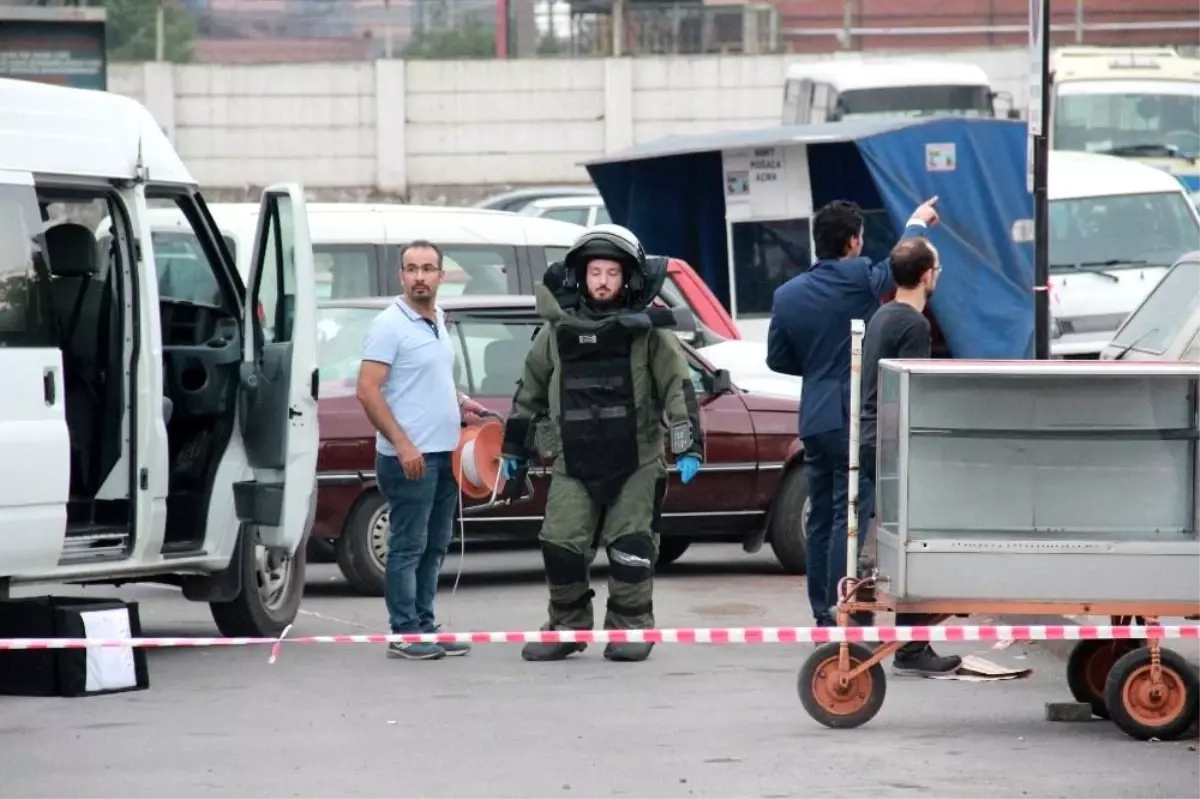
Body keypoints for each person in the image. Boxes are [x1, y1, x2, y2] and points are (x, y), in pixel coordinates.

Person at [501, 225, 704, 663]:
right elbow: (530, 393)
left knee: (632, 549)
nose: (603, 281)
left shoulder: (649, 333)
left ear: (627, 277)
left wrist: (687, 444)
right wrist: (513, 451)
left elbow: (677, 389)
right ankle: (567, 627)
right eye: (596, 272)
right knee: (560, 548)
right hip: (572, 464)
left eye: (612, 272)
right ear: (581, 276)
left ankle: (631, 629)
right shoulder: (556, 333)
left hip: (636, 462)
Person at [766, 197, 939, 629]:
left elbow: (777, 359)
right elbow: (902, 262)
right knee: (851, 516)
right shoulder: (860, 277)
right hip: (851, 415)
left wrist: (818, 368)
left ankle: (821, 611)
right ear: (852, 241)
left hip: (814, 414)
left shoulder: (787, 294)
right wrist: (918, 222)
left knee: (821, 516)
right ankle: (844, 607)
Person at [356, 239, 490, 661]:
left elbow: (424, 379)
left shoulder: (437, 317)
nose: (419, 276)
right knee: (407, 546)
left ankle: (425, 625)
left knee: (434, 545)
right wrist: (402, 443)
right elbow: (368, 390)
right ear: (401, 276)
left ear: (441, 276)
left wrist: (459, 401)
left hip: (445, 452)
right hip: (409, 458)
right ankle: (405, 633)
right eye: (411, 269)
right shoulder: (388, 325)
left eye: (427, 268)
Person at [858, 237, 961, 676]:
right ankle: (913, 648)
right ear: (926, 276)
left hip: (868, 437)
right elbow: (909, 393)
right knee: (914, 543)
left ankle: (905, 642)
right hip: (889, 443)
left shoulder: (882, 315)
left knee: (893, 540)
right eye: (936, 268)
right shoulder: (914, 326)